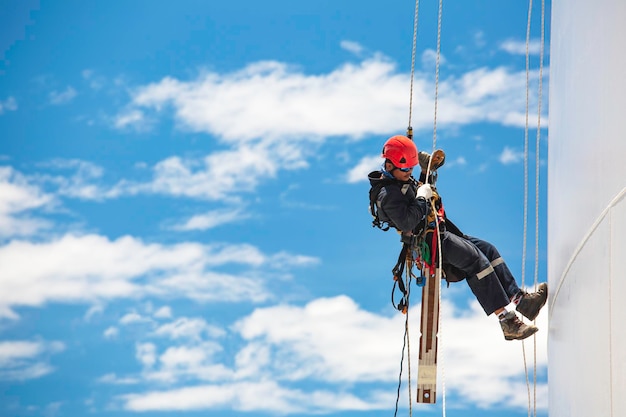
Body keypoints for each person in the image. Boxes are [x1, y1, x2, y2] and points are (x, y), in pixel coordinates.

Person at [368, 134, 548, 341]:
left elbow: (418, 190)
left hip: (439, 232)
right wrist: (421, 199)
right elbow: (407, 221)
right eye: (406, 169)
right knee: (476, 261)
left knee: (488, 250)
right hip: (428, 242)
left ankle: (523, 301)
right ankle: (507, 322)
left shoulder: (400, 182)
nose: (409, 173)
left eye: (411, 168)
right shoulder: (387, 195)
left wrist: (427, 172)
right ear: (389, 166)